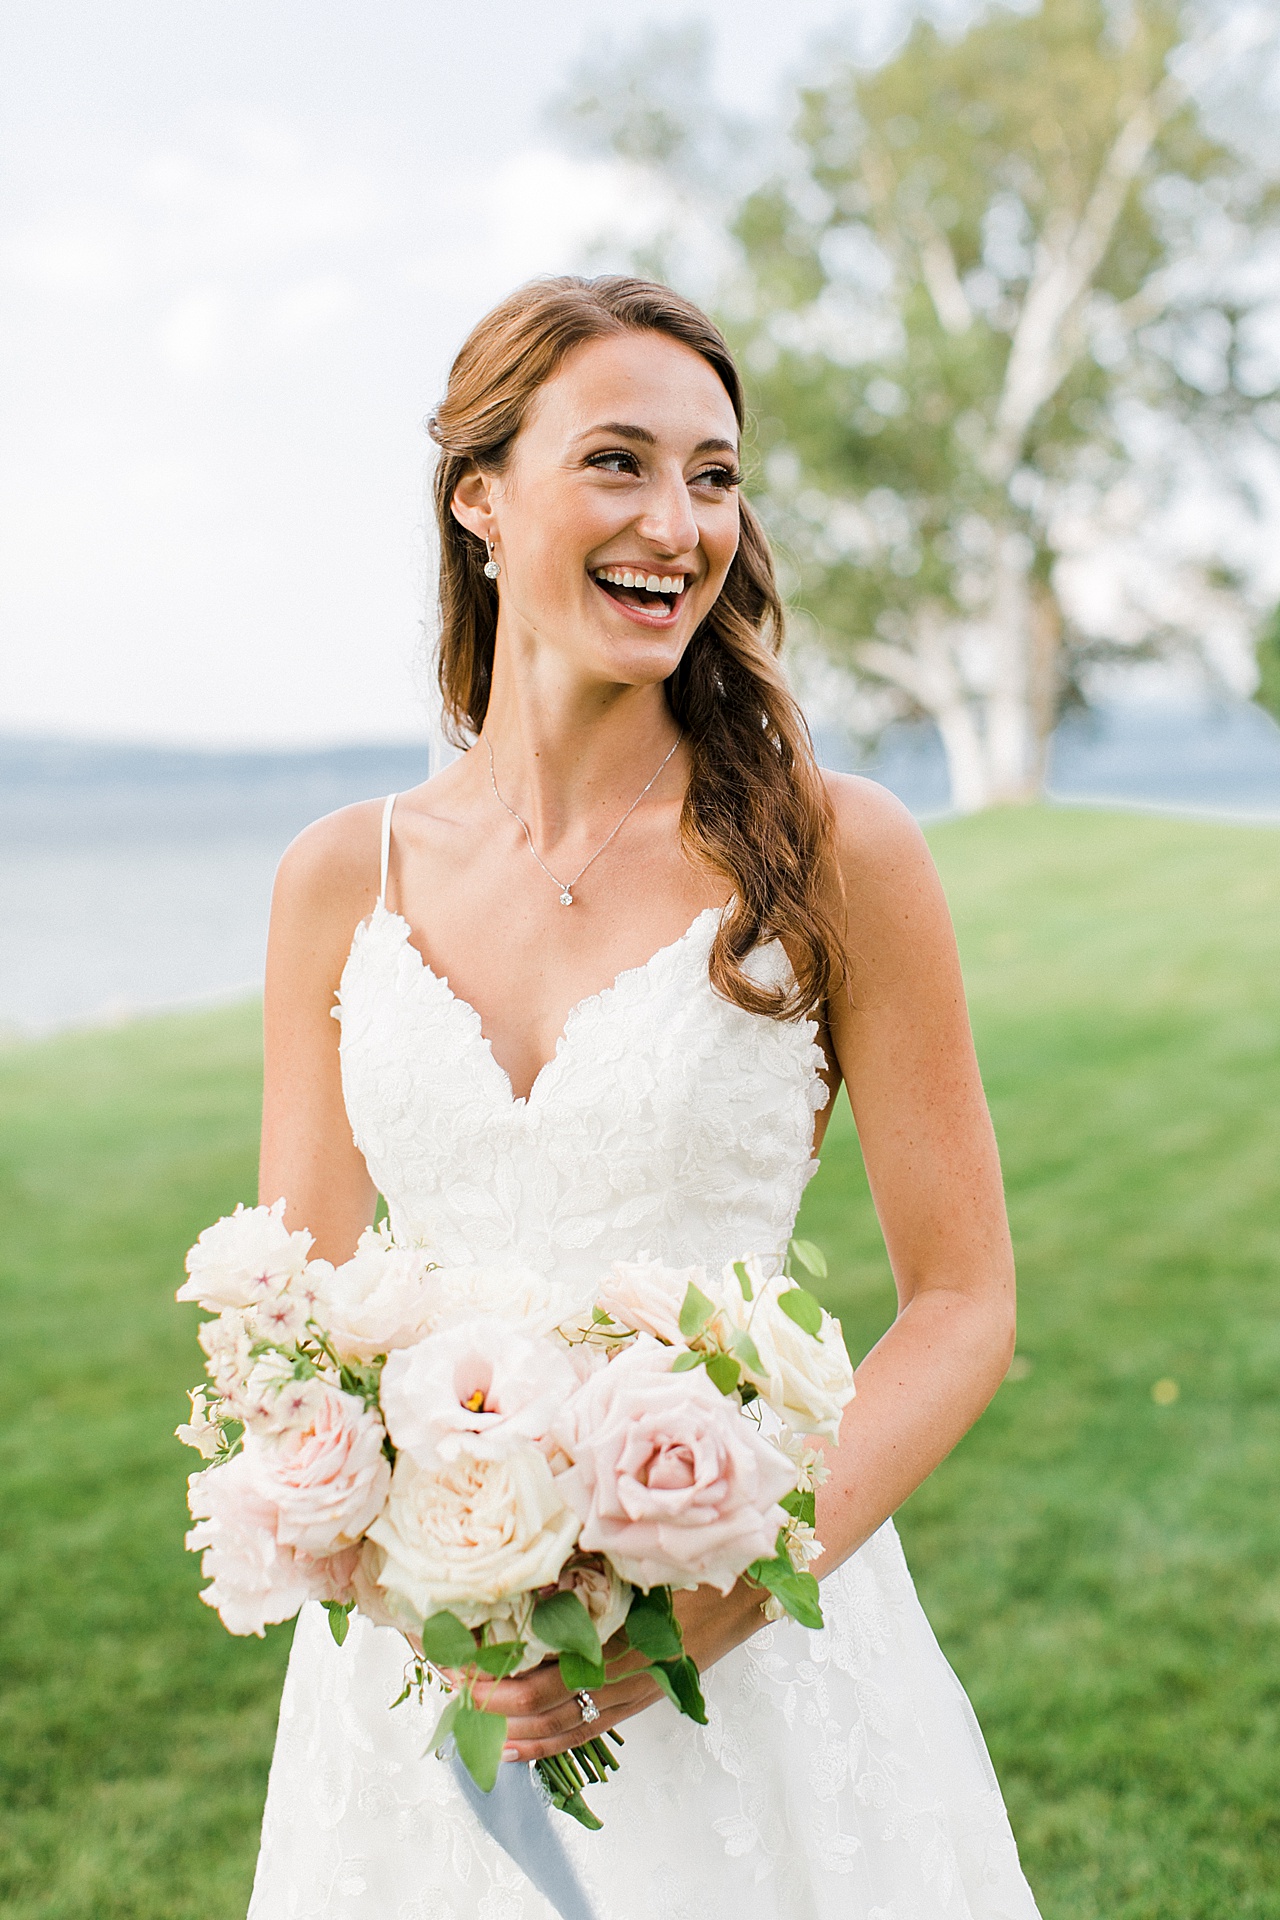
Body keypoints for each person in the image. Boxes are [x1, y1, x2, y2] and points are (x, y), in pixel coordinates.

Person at [248, 275, 1041, 1918]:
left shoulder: (841, 851)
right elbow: (291, 1326)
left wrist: (721, 1604)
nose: (677, 522)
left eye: (714, 475)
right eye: (617, 461)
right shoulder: (342, 877)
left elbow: (962, 1303)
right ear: (480, 496)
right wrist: (423, 1587)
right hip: (424, 1691)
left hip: (759, 1653)